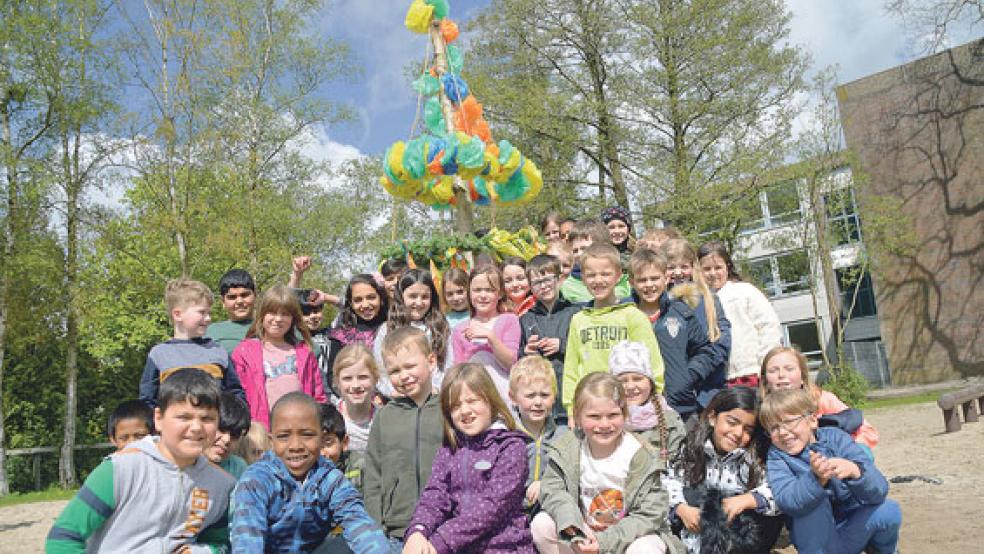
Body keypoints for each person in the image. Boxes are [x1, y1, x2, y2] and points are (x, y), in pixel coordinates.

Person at [47, 369, 236, 552]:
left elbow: (220, 543)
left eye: (207, 418)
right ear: (159, 419)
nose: (196, 427)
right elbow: (63, 538)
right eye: (183, 417)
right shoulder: (120, 470)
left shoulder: (222, 484)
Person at [531, 373, 680, 554]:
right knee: (542, 524)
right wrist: (573, 526)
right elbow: (553, 489)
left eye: (612, 415)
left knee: (645, 548)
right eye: (594, 416)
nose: (604, 424)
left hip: (627, 537)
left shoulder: (641, 454)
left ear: (624, 414)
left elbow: (649, 514)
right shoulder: (567, 448)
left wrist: (604, 542)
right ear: (577, 416)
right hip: (584, 532)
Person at [230, 392, 391, 553]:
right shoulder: (256, 481)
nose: (295, 446)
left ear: (321, 439)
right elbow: (247, 541)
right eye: (284, 436)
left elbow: (360, 524)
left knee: (346, 544)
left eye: (307, 435)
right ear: (272, 441)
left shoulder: (330, 478)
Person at [404, 363, 535, 554]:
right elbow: (435, 496)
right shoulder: (449, 449)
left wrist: (440, 541)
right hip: (458, 548)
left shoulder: (511, 447)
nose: (465, 411)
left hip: (503, 546)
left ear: (490, 400)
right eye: (456, 406)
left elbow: (492, 508)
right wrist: (418, 531)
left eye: (472, 400)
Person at [761, 389, 901, 554]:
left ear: (812, 420)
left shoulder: (837, 438)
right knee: (812, 506)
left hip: (852, 529)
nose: (782, 432)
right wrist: (815, 479)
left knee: (889, 510)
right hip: (817, 542)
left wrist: (856, 471)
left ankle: (880, 550)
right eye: (774, 428)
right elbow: (789, 501)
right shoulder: (777, 456)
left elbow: (879, 490)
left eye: (789, 422)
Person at [665, 387, 782, 554]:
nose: (738, 433)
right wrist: (680, 508)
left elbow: (781, 491)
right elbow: (668, 480)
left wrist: (748, 499)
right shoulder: (691, 449)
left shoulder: (754, 458)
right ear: (713, 417)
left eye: (747, 429)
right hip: (691, 541)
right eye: (732, 422)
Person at [562, 243, 665, 416]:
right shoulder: (578, 320)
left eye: (605, 274)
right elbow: (571, 368)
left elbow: (652, 363)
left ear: (618, 276)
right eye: (591, 275)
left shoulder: (633, 316)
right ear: (583, 278)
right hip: (590, 406)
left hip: (629, 407)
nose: (598, 280)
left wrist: (655, 400)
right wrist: (571, 407)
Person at [364, 327, 444, 544]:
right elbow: (372, 474)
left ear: (431, 361)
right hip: (398, 528)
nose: (404, 376)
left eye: (410, 366)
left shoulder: (450, 409)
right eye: (395, 371)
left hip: (445, 526)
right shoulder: (385, 416)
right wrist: (375, 525)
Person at [629, 248, 721, 424]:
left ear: (666, 277)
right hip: (636, 409)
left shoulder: (681, 312)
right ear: (632, 282)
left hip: (680, 406)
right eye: (642, 280)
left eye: (655, 278)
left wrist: (687, 377)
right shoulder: (625, 314)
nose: (649, 285)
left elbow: (704, 351)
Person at [232, 284, 327, 430]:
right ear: (262, 315)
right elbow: (238, 396)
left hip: (300, 428)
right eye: (272, 313)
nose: (278, 319)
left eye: (285, 314)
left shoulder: (304, 352)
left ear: (293, 319)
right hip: (260, 430)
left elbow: (318, 395)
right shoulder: (244, 352)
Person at [139, 278, 245, 408]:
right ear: (178, 314)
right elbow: (147, 401)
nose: (208, 318)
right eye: (201, 312)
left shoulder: (218, 352)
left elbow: (235, 394)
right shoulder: (159, 355)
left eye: (209, 312)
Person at [760, 346, 879, 454]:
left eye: (789, 369)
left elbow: (867, 431)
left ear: (803, 376)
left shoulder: (821, 399)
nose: (781, 375)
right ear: (765, 379)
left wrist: (852, 452)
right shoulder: (762, 410)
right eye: (773, 370)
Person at [697, 240, 782, 388]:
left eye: (718, 267)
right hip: (718, 380)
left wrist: (766, 366)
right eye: (707, 269)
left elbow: (768, 327)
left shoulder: (744, 291)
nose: (713, 273)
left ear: (727, 267)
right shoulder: (697, 301)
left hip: (751, 373)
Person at [518, 254, 582, 424]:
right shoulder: (526, 319)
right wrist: (526, 352)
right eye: (537, 283)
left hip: (570, 400)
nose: (544, 286)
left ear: (559, 279)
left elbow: (586, 349)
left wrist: (561, 345)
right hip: (540, 404)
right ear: (530, 287)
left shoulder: (576, 313)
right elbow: (518, 361)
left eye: (548, 279)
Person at [662, 239, 732, 391]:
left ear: (693, 267)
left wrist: (694, 373)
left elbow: (722, 340)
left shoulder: (708, 297)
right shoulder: (660, 303)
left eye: (684, 267)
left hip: (709, 385)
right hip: (673, 387)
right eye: (671, 267)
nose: (678, 272)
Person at [373, 268, 450, 396]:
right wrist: (392, 392)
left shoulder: (440, 326)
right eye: (413, 296)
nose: (419, 302)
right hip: (400, 400)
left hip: (435, 397)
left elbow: (449, 365)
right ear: (401, 296)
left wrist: (436, 389)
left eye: (425, 297)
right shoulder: (387, 329)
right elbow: (378, 368)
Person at [451, 265, 521, 406]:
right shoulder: (460, 330)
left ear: (500, 293)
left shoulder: (509, 320)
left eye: (489, 290)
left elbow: (511, 364)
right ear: (469, 293)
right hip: (474, 396)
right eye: (477, 290)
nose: (483, 295)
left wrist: (491, 337)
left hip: (504, 397)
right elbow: (459, 371)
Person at [507, 356, 569, 514]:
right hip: (513, 511)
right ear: (513, 398)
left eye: (544, 395)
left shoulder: (563, 436)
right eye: (530, 396)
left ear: (554, 396)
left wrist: (545, 484)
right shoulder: (506, 436)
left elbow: (568, 475)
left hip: (549, 508)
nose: (538, 402)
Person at [607, 341, 685, 461]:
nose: (631, 386)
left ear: (650, 383)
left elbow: (679, 465)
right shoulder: (603, 418)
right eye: (623, 381)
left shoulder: (670, 420)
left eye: (637, 379)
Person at [323, 274, 389, 395]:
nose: (365, 305)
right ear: (351, 303)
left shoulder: (392, 328)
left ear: (381, 298)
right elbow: (333, 377)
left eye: (371, 297)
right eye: (358, 300)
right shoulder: (341, 335)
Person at [561, 219, 632, 303]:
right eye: (575, 251)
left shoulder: (626, 283)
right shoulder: (568, 287)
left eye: (585, 249)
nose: (579, 254)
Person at [333, 344, 379, 453]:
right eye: (347, 378)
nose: (355, 385)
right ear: (337, 382)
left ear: (375, 379)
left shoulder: (384, 420)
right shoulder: (331, 421)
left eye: (363, 377)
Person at [207, 268, 258, 355]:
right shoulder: (211, 332)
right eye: (232, 297)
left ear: (255, 296)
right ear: (223, 301)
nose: (239, 301)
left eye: (245, 295)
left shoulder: (268, 328)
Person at [205, 391, 251, 479]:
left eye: (235, 434)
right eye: (221, 429)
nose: (227, 439)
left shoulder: (239, 468)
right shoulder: (182, 463)